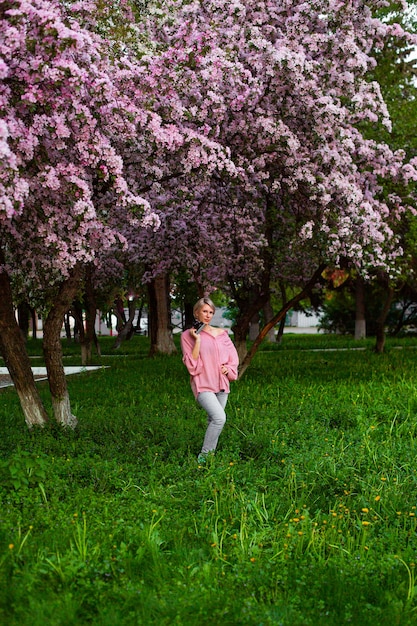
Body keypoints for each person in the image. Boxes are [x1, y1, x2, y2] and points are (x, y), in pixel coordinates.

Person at [181, 297, 239, 463]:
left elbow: (233, 357)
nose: (208, 315)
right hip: (203, 383)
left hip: (221, 383)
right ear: (196, 313)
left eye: (211, 312)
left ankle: (208, 460)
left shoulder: (222, 335)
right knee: (220, 418)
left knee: (213, 420)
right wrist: (197, 340)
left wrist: (228, 369)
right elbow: (192, 365)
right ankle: (204, 458)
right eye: (204, 311)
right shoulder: (188, 336)